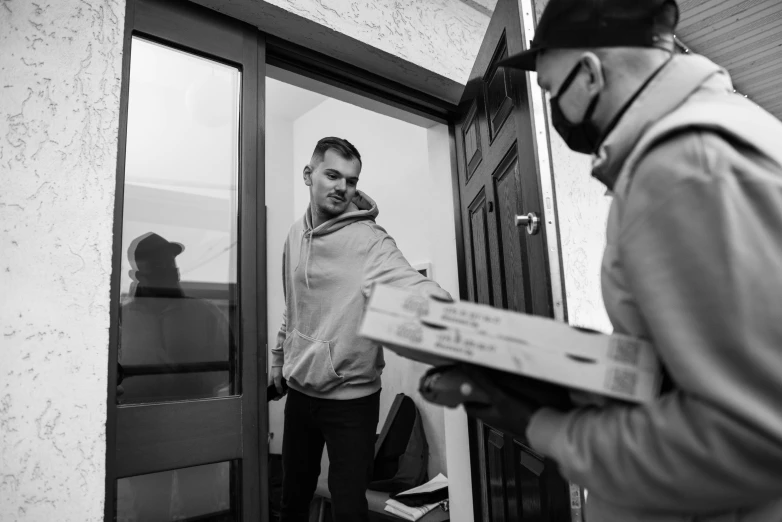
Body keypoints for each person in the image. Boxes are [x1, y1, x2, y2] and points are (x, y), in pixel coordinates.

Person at [428, 0, 782, 520]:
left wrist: (541, 426)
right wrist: (587, 364)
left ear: (590, 74)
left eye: (551, 92)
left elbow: (749, 437)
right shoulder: (733, 131)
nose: (553, 114)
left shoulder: (683, 167)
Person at [272, 137, 450, 522]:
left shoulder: (370, 242)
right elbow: (293, 305)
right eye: (332, 175)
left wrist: (443, 313)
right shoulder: (292, 235)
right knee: (292, 500)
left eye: (350, 181)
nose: (342, 187)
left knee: (349, 508)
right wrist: (277, 362)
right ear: (309, 175)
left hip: (352, 398)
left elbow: (409, 283)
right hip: (300, 392)